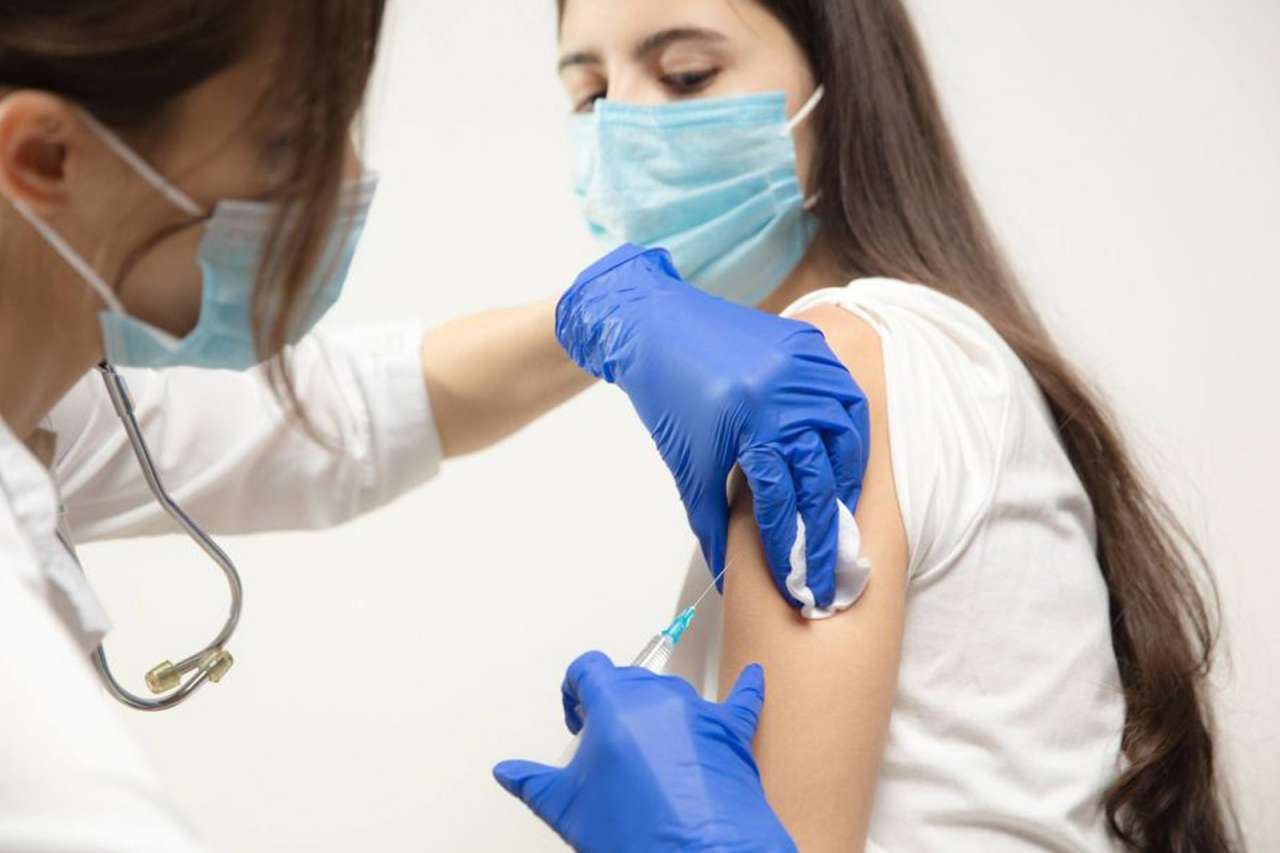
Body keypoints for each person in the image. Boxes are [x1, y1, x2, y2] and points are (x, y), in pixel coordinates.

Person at [0, 3, 870, 851]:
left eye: (683, 76)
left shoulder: (59, 405)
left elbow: (340, 412)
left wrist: (601, 316)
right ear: (44, 158)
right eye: (285, 142)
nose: (344, 184)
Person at [506, 1, 1242, 851]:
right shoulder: (944, 353)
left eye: (686, 75)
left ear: (840, 84)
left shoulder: (834, 374)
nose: (627, 125)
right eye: (591, 95)